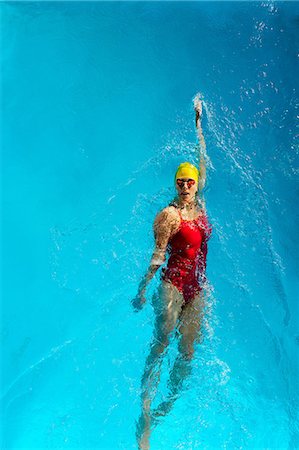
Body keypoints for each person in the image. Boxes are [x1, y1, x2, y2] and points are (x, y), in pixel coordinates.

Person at [132, 98, 212, 450]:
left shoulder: (200, 202)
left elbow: (203, 163)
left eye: (189, 181)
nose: (185, 185)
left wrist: (198, 125)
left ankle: (165, 409)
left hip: (197, 286)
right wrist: (142, 289)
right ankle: (145, 414)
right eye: (180, 181)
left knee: (188, 352)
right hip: (173, 285)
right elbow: (157, 256)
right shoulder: (168, 216)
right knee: (162, 342)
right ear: (175, 184)